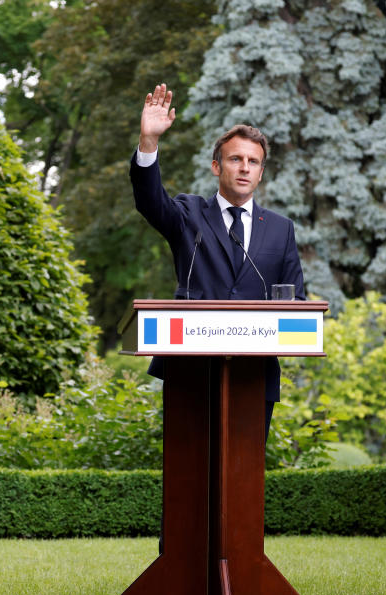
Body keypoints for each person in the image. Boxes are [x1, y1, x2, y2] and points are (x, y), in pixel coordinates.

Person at [132, 83, 306, 435]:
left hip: (254, 379)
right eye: (235, 159)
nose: (244, 168)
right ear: (217, 166)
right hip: (190, 373)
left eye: (252, 162)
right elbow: (151, 202)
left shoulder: (280, 229)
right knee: (190, 478)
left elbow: (297, 302)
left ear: (260, 172)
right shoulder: (189, 214)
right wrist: (149, 143)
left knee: (244, 480)